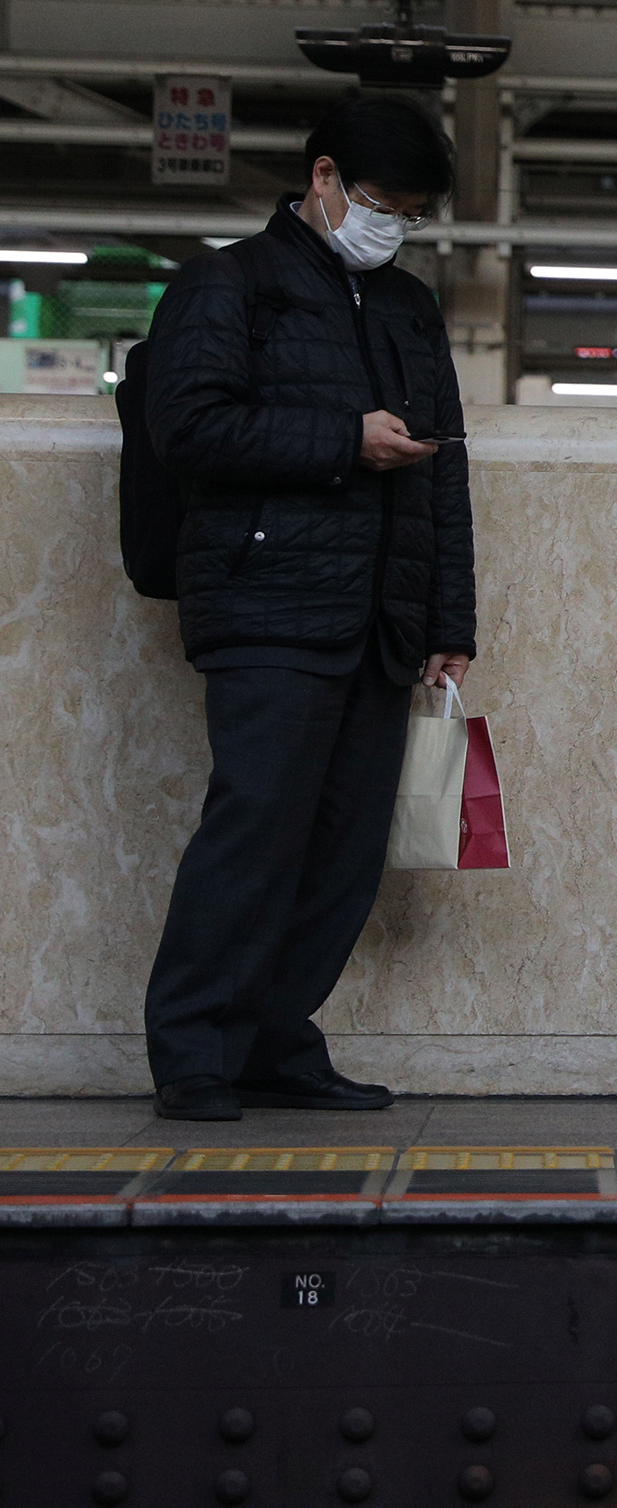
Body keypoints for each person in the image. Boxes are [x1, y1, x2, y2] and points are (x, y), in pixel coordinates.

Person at [138, 94, 474, 1123]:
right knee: (255, 833)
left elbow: (444, 477)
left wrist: (448, 624)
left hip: (379, 617)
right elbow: (186, 428)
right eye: (381, 202)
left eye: (410, 213)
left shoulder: (412, 310)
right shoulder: (227, 284)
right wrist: (343, 439)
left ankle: (278, 1041)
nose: (392, 227)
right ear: (322, 179)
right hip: (268, 608)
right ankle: (194, 1053)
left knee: (340, 853)